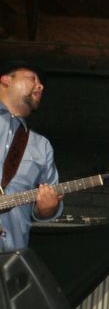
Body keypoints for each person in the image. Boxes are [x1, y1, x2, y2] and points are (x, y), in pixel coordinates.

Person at [0, 60, 62, 251]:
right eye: (32, 78)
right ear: (6, 80)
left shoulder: (41, 146)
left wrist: (47, 208)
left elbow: (45, 211)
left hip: (11, 254)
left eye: (41, 83)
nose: (40, 85)